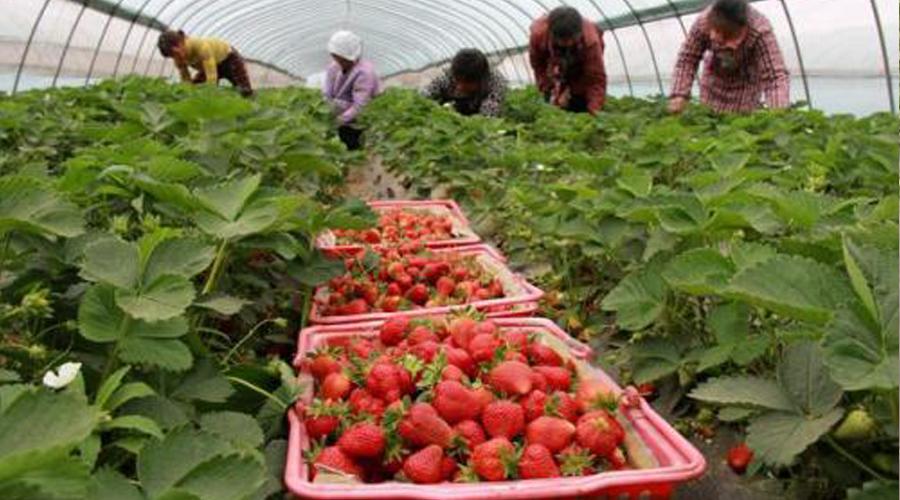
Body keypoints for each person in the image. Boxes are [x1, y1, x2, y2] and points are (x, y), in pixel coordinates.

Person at [668, 0, 790, 114]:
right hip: (712, 87)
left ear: (743, 28)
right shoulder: (703, 22)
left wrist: (777, 114)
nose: (721, 41)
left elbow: (775, 77)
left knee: (739, 129)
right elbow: (687, 58)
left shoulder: (760, 30)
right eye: (716, 32)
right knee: (708, 124)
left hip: (745, 90)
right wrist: (679, 94)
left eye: (728, 36)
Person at [529, 6, 607, 115]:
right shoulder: (538, 34)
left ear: (579, 33)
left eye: (572, 39)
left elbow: (595, 79)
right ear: (552, 34)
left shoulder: (591, 41)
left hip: (580, 64)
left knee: (580, 99)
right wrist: (550, 90)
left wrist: (594, 112)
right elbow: (538, 65)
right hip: (555, 61)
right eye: (563, 40)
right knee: (552, 105)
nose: (569, 43)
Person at [323, 31, 380, 151]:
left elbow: (360, 106)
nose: (337, 60)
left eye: (341, 58)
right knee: (335, 147)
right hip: (337, 116)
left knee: (351, 146)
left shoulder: (364, 73)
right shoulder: (333, 67)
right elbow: (327, 93)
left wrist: (338, 120)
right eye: (335, 56)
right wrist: (325, 113)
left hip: (355, 122)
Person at [157, 30, 253, 97]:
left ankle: (252, 107)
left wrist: (210, 93)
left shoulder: (200, 46)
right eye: (172, 56)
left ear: (181, 42)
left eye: (176, 53)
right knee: (196, 88)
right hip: (208, 67)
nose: (175, 57)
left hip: (229, 59)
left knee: (244, 89)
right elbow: (185, 79)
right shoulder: (177, 58)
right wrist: (187, 92)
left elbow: (211, 75)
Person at [423, 49, 507, 117]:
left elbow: (487, 118)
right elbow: (425, 96)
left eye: (467, 83)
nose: (460, 87)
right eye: (457, 80)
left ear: (481, 79)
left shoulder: (495, 82)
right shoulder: (447, 77)